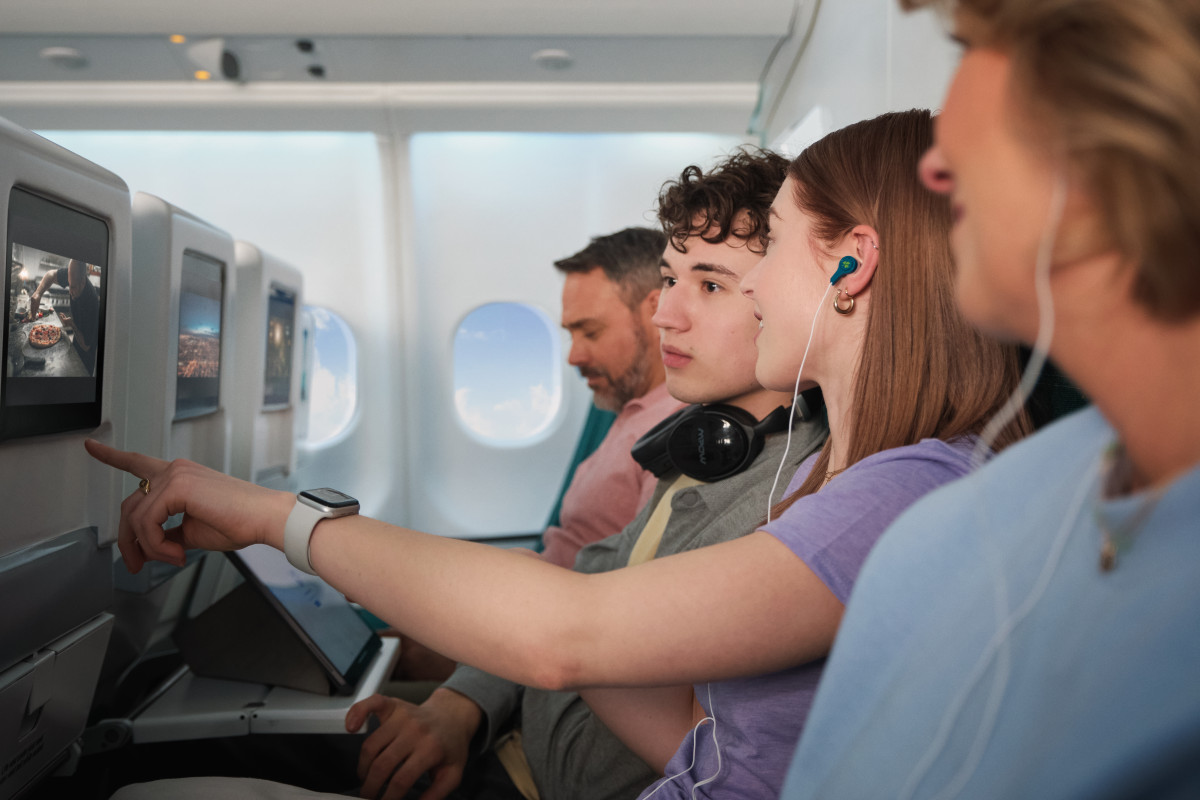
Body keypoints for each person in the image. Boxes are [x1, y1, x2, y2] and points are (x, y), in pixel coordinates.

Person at [94, 109, 1030, 800]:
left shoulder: (898, 496)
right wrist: (521, 646)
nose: (739, 298)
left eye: (765, 252)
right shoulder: (840, 481)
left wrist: (277, 519)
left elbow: (568, 634)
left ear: (850, 264)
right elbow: (695, 734)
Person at [774, 1, 1200, 798]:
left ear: (1125, 108)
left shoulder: (928, 505)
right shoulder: (971, 519)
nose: (937, 168)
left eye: (972, 49)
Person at [351, 148, 826, 800]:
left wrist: (291, 526)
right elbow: (582, 576)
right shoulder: (705, 444)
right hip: (517, 734)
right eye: (670, 281)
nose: (664, 315)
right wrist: (467, 706)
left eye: (711, 285)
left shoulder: (789, 489)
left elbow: (574, 640)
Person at [394, 227, 683, 683]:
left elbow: (618, 604)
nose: (573, 356)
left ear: (654, 309)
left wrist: (469, 687)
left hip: (545, 650)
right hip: (525, 629)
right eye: (570, 334)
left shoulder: (674, 430)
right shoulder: (626, 411)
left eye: (590, 332)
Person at [29, 258, 100, 374]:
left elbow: (86, 346)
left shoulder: (92, 303)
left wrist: (72, 324)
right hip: (76, 341)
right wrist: (38, 293)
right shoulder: (73, 275)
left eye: (73, 287)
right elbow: (51, 274)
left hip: (86, 356)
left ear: (83, 281)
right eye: (69, 285)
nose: (70, 291)